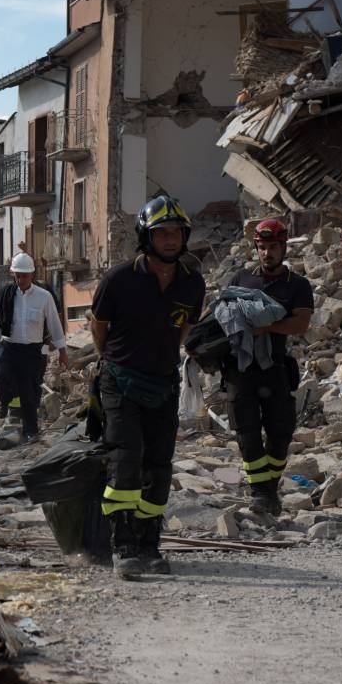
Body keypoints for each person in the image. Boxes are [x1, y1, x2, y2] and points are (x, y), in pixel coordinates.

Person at [90, 195, 205, 579]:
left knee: (157, 465)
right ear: (147, 237)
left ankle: (149, 544)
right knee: (126, 459)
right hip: (120, 381)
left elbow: (186, 327)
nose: (171, 240)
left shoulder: (193, 282)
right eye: (162, 233)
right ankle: (123, 547)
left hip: (163, 382)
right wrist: (114, 362)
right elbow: (99, 327)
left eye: (176, 233)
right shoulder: (118, 280)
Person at [223, 217, 313, 515]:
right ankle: (260, 493)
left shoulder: (297, 285)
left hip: (275, 368)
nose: (267, 253)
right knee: (246, 432)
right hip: (241, 369)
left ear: (284, 247)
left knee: (281, 431)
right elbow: (223, 311)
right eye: (262, 247)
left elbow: (300, 323)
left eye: (273, 247)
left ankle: (270, 486)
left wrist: (267, 325)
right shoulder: (241, 279)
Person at [0, 253, 69, 440]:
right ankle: (5, 402)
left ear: (32, 274)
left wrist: (63, 352)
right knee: (0, 375)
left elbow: (55, 325)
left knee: (29, 393)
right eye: (17, 275)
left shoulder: (44, 297)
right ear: (13, 275)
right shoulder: (7, 294)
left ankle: (31, 431)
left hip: (32, 351)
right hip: (9, 347)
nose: (21, 279)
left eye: (24, 275)